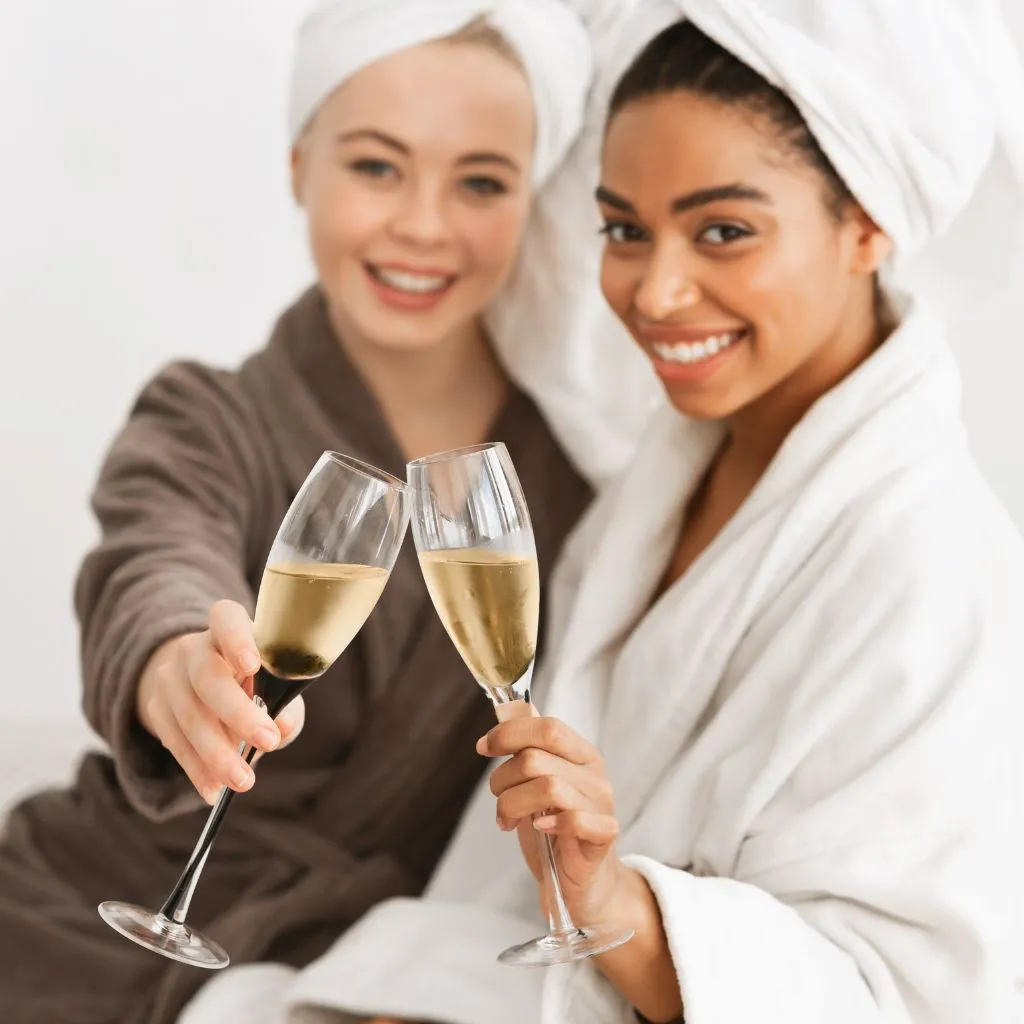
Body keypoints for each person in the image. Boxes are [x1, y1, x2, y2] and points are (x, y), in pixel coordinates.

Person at [180, 1, 1024, 1022]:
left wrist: (616, 900)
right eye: (624, 228)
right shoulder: (658, 477)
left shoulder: (935, 573)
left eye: (723, 230)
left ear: (865, 224)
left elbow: (912, 997)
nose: (654, 291)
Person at [0, 2, 657, 1022]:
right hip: (84, 923)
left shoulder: (574, 481)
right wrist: (176, 659)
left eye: (480, 181)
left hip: (365, 958)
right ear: (300, 163)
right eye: (375, 166)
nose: (423, 225)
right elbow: (152, 553)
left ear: (533, 200)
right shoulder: (207, 415)